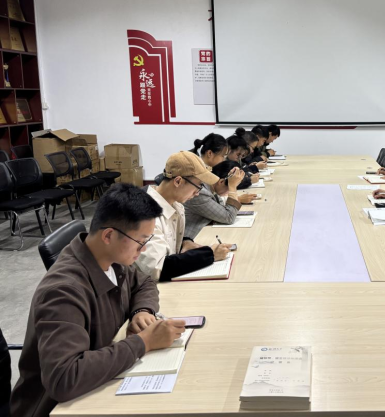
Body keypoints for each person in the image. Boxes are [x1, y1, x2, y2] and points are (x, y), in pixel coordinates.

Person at [10, 184, 186, 417]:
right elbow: (64, 378)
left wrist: (142, 311)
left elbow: (144, 283)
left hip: (96, 384)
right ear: (109, 235)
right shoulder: (63, 291)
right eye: (141, 241)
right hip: (54, 408)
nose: (143, 250)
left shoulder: (112, 260)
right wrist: (143, 342)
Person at [137, 151, 232, 282]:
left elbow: (166, 243)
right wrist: (209, 254)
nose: (197, 193)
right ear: (178, 181)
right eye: (198, 186)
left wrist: (184, 242)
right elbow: (157, 269)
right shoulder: (145, 213)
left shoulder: (176, 205)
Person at [184, 155, 249, 238]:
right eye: (229, 188)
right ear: (221, 182)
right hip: (192, 238)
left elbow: (222, 209)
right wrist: (232, 187)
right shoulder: (200, 192)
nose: (228, 192)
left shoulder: (211, 187)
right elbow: (229, 217)